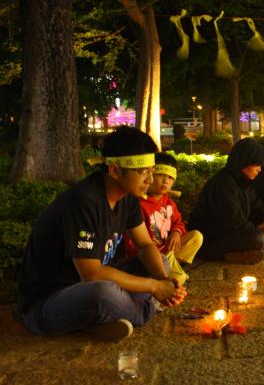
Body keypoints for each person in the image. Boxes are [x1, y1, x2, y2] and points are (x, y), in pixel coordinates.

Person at [18, 126, 187, 342]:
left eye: (152, 171)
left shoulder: (129, 196)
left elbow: (145, 245)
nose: (149, 179)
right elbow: (92, 274)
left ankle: (102, 319)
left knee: (161, 263)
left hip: (90, 285)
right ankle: (143, 311)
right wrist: (155, 287)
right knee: (103, 294)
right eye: (143, 172)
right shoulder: (84, 201)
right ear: (115, 170)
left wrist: (164, 281)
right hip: (49, 301)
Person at [188, 138, 264, 264]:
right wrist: (259, 228)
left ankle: (258, 249)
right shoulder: (222, 184)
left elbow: (259, 207)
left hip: (238, 232)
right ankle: (249, 250)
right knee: (258, 238)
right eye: (257, 164)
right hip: (212, 239)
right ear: (244, 162)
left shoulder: (245, 182)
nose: (260, 169)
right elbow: (234, 223)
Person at [124, 152, 203, 286]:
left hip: (169, 248)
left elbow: (178, 222)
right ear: (149, 175)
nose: (165, 181)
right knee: (178, 281)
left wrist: (176, 232)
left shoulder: (169, 202)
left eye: (170, 177)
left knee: (196, 236)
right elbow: (134, 243)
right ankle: (172, 271)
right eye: (160, 175)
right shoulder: (139, 204)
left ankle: (173, 266)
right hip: (153, 254)